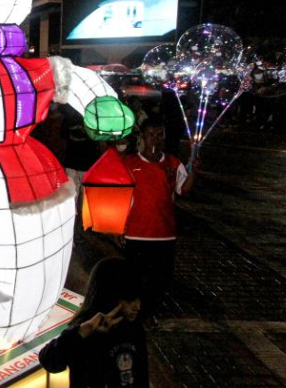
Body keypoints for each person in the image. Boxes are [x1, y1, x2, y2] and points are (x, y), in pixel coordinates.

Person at [122, 117, 197, 320]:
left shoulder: (173, 163)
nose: (155, 139)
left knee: (160, 279)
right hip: (137, 233)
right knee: (134, 278)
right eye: (151, 135)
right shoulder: (129, 163)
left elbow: (184, 190)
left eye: (159, 135)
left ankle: (149, 312)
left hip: (165, 234)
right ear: (142, 137)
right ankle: (132, 314)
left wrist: (193, 172)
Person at [39, 258, 148, 388]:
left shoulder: (133, 327)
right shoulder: (84, 331)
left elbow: (141, 374)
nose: (137, 307)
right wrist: (83, 330)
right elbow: (50, 361)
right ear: (110, 295)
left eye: (138, 298)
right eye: (130, 300)